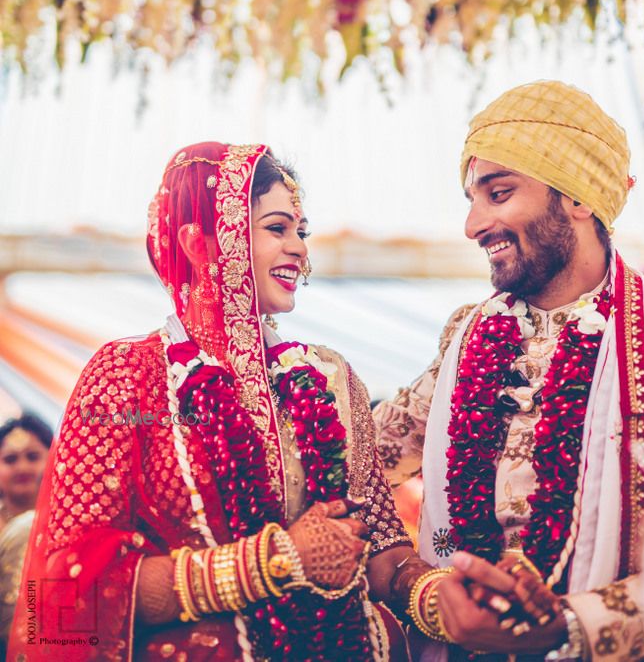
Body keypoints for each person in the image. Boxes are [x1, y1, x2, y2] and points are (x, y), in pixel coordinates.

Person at [11, 142, 431, 661]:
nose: (299, 248)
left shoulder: (331, 377)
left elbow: (383, 544)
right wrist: (275, 562)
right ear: (199, 241)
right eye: (277, 229)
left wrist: (435, 596)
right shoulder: (125, 377)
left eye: (301, 231)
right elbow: (70, 588)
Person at [374, 81, 644, 661]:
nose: (472, 224)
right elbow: (362, 463)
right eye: (471, 199)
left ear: (578, 199)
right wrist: (422, 588)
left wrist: (568, 626)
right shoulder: (468, 337)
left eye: (499, 193)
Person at [0, 414, 53, 655]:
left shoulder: (70, 521)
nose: (22, 467)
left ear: (52, 459)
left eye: (32, 457)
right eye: (10, 459)